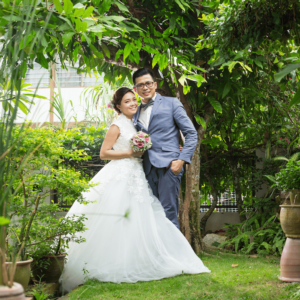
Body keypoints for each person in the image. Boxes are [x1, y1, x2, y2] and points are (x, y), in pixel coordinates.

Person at [60, 87, 210, 293]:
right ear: (118, 106)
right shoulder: (116, 125)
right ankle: (113, 261)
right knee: (117, 218)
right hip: (120, 174)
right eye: (127, 101)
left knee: (140, 217)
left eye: (133, 100)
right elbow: (104, 153)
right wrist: (130, 153)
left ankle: (144, 257)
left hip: (137, 174)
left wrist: (177, 151)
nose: (132, 103)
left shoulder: (136, 123)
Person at [132, 68, 198, 229]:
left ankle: (174, 254)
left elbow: (191, 133)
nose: (145, 87)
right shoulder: (134, 112)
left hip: (169, 166)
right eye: (140, 85)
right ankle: (157, 253)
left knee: (168, 212)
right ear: (135, 89)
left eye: (148, 83)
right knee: (152, 213)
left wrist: (181, 160)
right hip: (145, 168)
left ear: (154, 84)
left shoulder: (172, 103)